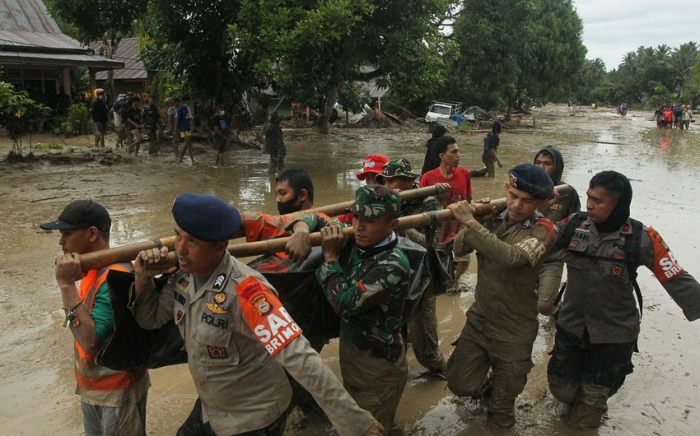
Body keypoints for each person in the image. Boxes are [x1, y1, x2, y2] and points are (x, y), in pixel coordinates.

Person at [130, 193, 382, 436]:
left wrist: (355, 423)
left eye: (193, 241)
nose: (180, 249)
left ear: (221, 246)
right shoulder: (185, 275)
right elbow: (150, 318)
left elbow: (301, 358)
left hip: (253, 418)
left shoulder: (248, 293)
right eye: (177, 236)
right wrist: (143, 276)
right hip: (214, 407)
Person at [547, 171, 700, 430]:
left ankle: (594, 403)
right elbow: (538, 240)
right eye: (588, 198)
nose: (590, 205)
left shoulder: (642, 238)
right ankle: (579, 399)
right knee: (562, 391)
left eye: (598, 200)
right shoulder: (574, 225)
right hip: (571, 327)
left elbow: (676, 278)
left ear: (619, 204)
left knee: (586, 417)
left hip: (613, 337)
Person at [445, 163, 555, 429]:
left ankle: (499, 393)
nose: (517, 205)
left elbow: (512, 258)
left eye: (527, 201)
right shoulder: (493, 218)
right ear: (507, 188)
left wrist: (471, 223)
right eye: (513, 195)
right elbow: (458, 247)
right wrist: (478, 220)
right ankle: (489, 385)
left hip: (514, 331)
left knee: (501, 412)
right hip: (480, 320)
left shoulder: (544, 229)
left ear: (540, 203)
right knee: (459, 383)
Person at [41, 200, 150, 436]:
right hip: (95, 389)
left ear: (92, 233)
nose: (61, 242)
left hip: (118, 393)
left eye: (67, 234)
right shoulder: (94, 270)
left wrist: (66, 285)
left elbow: (91, 342)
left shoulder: (116, 276)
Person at [316, 185, 411, 435]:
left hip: (378, 370)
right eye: (356, 216)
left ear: (392, 225)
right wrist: (303, 228)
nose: (358, 226)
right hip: (356, 359)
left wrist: (329, 259)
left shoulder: (393, 264)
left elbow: (344, 304)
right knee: (378, 422)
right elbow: (313, 216)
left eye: (369, 220)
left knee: (371, 426)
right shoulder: (361, 244)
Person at [381, 158, 449, 376]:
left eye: (397, 181)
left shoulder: (427, 203)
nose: (392, 187)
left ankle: (444, 369)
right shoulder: (382, 201)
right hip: (390, 276)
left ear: (410, 181)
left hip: (421, 278)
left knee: (426, 346)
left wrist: (402, 226)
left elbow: (430, 244)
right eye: (387, 182)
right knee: (392, 335)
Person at [419, 136, 473, 292]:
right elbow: (420, 207)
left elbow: (469, 201)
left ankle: (454, 279)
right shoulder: (428, 178)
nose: (458, 155)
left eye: (458, 151)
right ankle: (445, 282)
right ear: (442, 156)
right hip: (438, 229)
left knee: (463, 260)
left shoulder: (465, 174)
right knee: (439, 262)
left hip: (459, 227)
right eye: (454, 152)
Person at [533, 146, 581, 315]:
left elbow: (576, 224)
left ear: (557, 167)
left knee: (544, 307)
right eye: (538, 163)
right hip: (526, 253)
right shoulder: (526, 188)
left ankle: (558, 310)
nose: (541, 167)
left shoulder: (567, 193)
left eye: (547, 164)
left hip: (553, 257)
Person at [176, 95, 195, 164]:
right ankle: (181, 158)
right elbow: (177, 120)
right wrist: (176, 129)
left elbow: (190, 118)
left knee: (188, 143)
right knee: (187, 142)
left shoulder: (187, 109)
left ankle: (190, 159)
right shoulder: (180, 109)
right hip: (183, 129)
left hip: (187, 128)